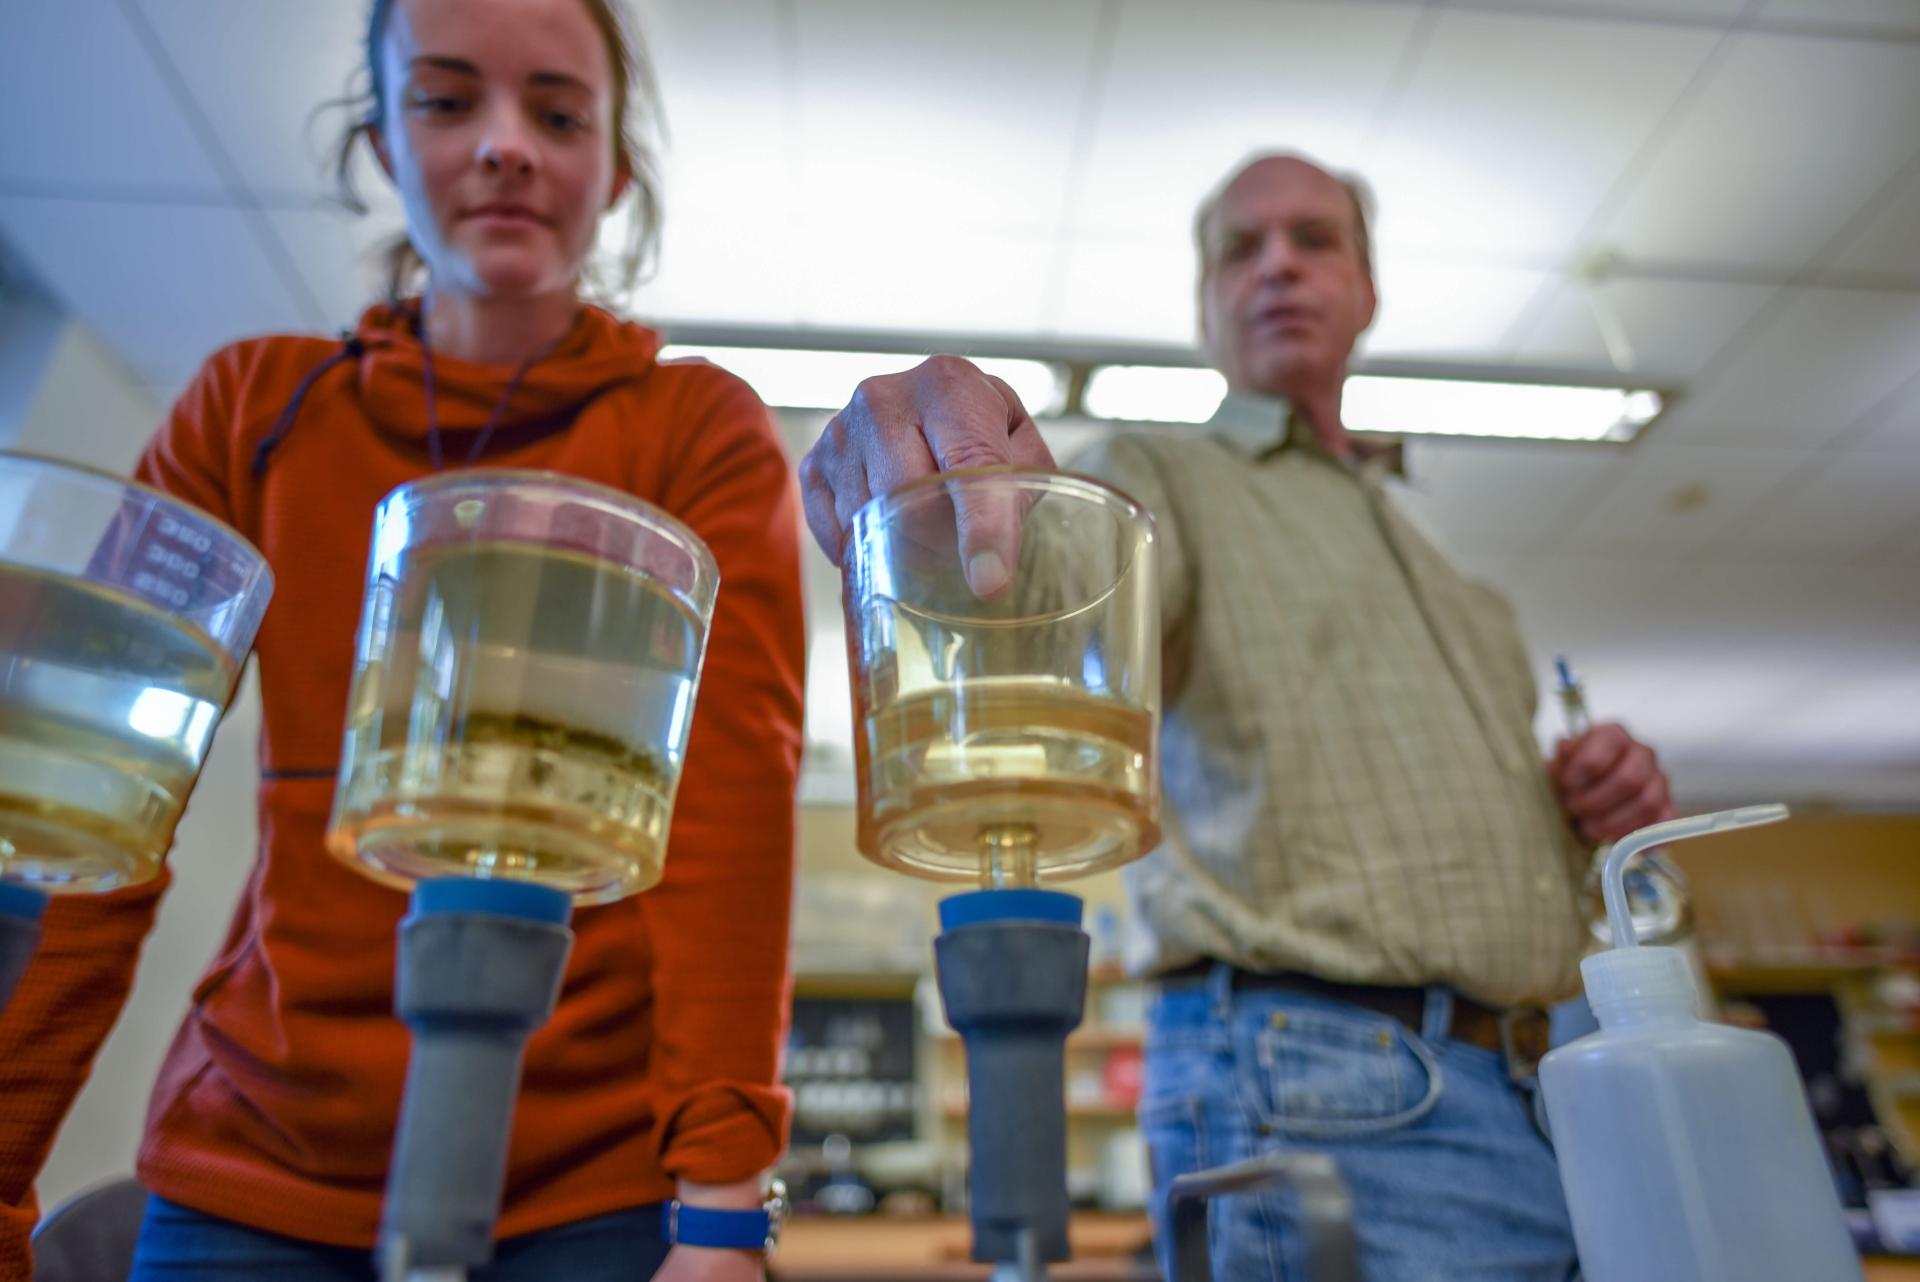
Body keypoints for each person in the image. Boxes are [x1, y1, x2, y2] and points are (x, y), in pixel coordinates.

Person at [0, 1, 804, 1278]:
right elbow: (87, 817)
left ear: (616, 172)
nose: (504, 147)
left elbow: (731, 819)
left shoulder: (693, 430)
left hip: (584, 1186)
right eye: (445, 101)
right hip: (263, 1163)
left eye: (556, 113)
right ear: (380, 142)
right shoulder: (248, 415)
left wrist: (718, 1211)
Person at [799, 152, 1676, 1281]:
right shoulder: (1167, 474)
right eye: (1239, 248)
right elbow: (1044, 589)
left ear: (1368, 289)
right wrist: (955, 505)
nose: (1277, 267)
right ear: (1204, 303)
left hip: (1547, 1086)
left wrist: (1588, 807)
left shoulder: (1462, 583)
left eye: (1314, 239)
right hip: (1326, 1080)